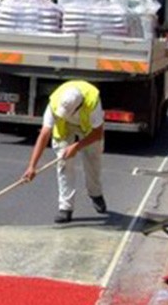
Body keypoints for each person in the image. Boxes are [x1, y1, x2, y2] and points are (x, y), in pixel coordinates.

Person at [22, 80, 107, 223]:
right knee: (63, 163)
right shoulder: (55, 102)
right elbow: (44, 134)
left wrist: (76, 146)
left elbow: (98, 133)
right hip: (64, 129)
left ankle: (95, 193)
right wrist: (32, 166)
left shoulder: (92, 102)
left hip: (89, 130)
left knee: (93, 159)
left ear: (77, 107)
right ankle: (65, 208)